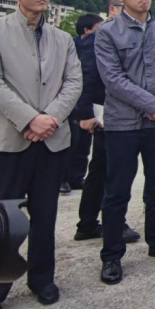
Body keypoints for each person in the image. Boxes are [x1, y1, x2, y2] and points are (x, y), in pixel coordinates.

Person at [0, 0, 82, 309]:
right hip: (6, 142)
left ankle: (42, 279)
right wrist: (30, 119)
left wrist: (49, 119)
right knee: (0, 218)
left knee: (45, 216)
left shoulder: (62, 39)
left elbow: (73, 84)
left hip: (51, 142)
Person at [95, 0, 155, 285]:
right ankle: (112, 255)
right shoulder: (108, 33)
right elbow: (113, 80)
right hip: (123, 125)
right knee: (117, 191)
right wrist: (152, 105)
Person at [73, 0, 141, 244]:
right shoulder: (99, 38)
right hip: (106, 114)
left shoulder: (125, 37)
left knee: (101, 169)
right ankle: (112, 223)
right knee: (113, 171)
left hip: (119, 113)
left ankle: (88, 222)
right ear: (113, 9)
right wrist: (85, 114)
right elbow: (84, 77)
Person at [60, 13, 104, 195]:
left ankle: (77, 178)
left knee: (84, 143)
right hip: (72, 101)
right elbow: (83, 76)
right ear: (87, 30)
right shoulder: (73, 46)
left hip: (90, 101)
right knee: (70, 141)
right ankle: (62, 179)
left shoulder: (97, 47)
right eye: (98, 29)